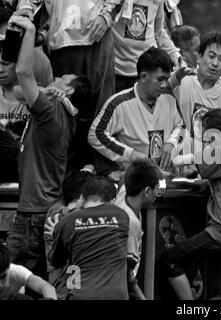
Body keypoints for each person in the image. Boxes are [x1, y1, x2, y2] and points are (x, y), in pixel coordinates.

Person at [5, 15, 92, 279]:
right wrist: (47, 90)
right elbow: (18, 91)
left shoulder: (52, 112)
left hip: (35, 217)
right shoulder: (59, 111)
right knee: (21, 284)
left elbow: (20, 76)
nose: (55, 78)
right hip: (35, 213)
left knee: (17, 282)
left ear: (68, 93)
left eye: (62, 79)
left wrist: (30, 30)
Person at [165, 109, 221, 300]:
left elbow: (182, 160)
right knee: (218, 294)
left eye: (208, 136)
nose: (207, 141)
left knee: (170, 260)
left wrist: (178, 158)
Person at [88, 47, 184, 178]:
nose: (164, 85)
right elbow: (95, 134)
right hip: (134, 181)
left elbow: (182, 125)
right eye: (160, 79)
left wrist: (172, 142)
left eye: (167, 79)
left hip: (167, 177)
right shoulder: (118, 103)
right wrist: (130, 154)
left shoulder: (169, 97)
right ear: (143, 77)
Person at [49, 176, 129, 300]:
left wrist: (56, 232)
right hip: (116, 296)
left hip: (81, 295)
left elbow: (56, 261)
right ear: (113, 200)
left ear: (82, 196)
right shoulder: (122, 216)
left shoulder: (66, 222)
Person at [0, 7, 53, 182]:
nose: (1, 70)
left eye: (6, 64)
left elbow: (24, 73)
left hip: (27, 164)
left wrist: (30, 31)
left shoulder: (35, 90)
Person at [114, 159, 162, 300]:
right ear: (147, 191)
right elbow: (127, 275)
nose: (158, 193)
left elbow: (126, 175)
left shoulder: (125, 192)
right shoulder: (130, 224)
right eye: (157, 188)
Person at [112, 0, 182, 93]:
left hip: (145, 72)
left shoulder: (157, 1)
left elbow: (159, 32)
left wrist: (175, 55)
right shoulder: (113, 2)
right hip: (115, 69)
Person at [43, 171, 93, 299]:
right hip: (66, 290)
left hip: (64, 289)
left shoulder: (57, 215)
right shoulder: (59, 218)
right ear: (83, 197)